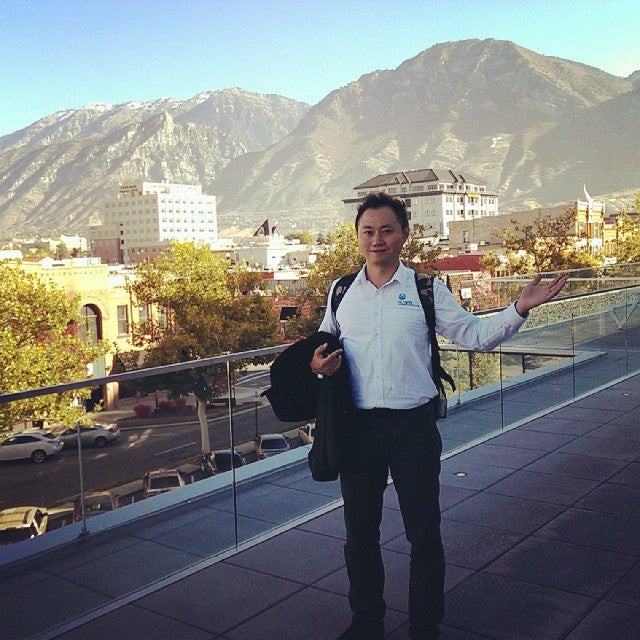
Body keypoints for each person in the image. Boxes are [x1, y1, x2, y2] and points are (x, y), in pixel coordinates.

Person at [310, 192, 567, 640]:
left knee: (424, 533)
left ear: (404, 235)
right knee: (360, 534)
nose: (377, 239)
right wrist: (317, 364)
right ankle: (366, 621)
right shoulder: (341, 291)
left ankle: (425, 625)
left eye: (387, 230)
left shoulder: (425, 289)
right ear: (358, 236)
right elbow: (321, 346)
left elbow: (475, 335)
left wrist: (519, 309)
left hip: (413, 428)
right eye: (368, 231)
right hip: (359, 429)